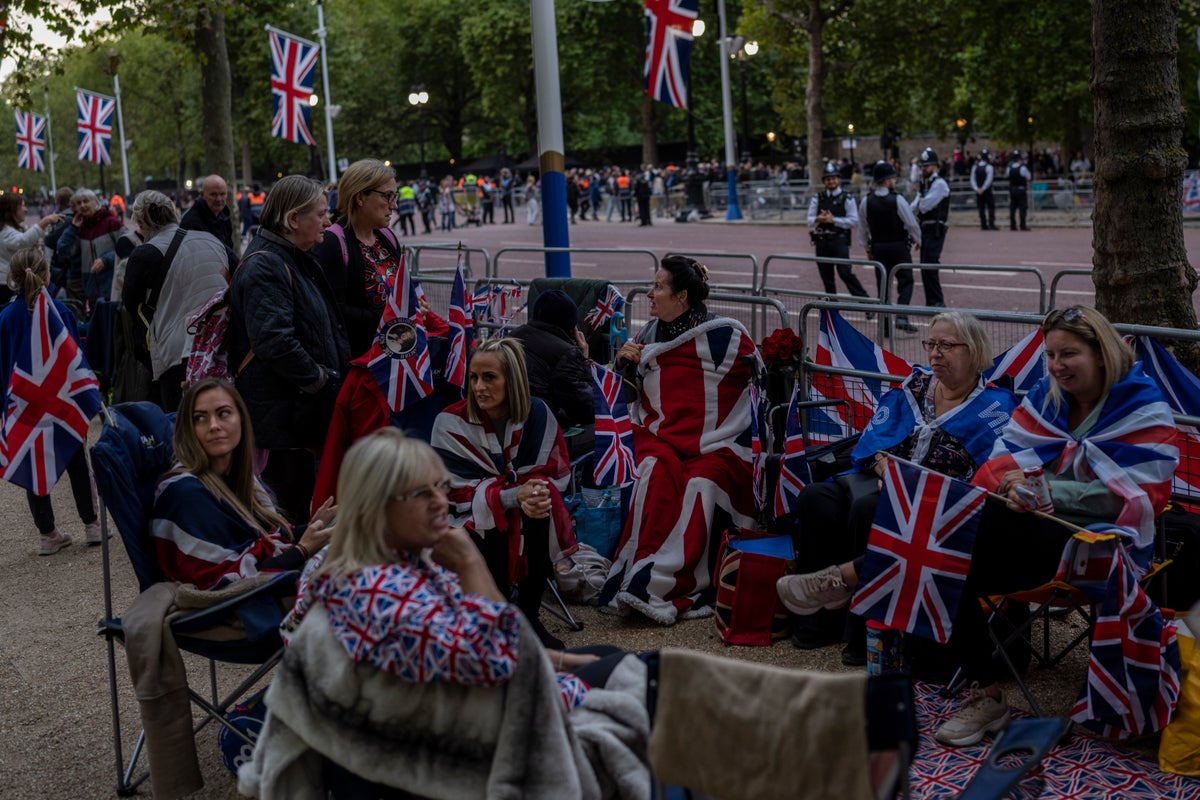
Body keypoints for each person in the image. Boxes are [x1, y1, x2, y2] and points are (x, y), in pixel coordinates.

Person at [245, 429, 639, 799]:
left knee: (607, 659)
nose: (440, 501)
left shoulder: (404, 565)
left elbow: (498, 649)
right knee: (635, 685)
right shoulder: (372, 593)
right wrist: (470, 564)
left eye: (441, 486)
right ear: (377, 508)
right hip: (456, 747)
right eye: (421, 492)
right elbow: (502, 663)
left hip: (470, 714)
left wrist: (566, 660)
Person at [926, 306, 1178, 746]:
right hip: (1030, 534)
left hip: (1103, 546)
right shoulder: (1048, 396)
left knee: (955, 537)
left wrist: (1045, 490)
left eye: (1069, 354)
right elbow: (1005, 456)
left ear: (1101, 353)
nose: (1057, 365)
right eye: (1051, 355)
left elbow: (1137, 497)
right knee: (948, 558)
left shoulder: (1144, 407)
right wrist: (1016, 482)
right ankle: (986, 695)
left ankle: (851, 572)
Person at [775, 312, 1017, 663]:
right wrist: (885, 467)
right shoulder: (914, 387)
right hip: (883, 478)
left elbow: (988, 472)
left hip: (936, 501)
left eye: (946, 345)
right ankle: (817, 622)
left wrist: (908, 484)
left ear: (974, 351)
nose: (935, 353)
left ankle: (865, 636)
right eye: (930, 344)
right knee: (816, 498)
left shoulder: (995, 407)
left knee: (868, 510)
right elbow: (875, 440)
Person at [599, 256, 758, 624]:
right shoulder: (646, 335)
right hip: (663, 441)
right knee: (652, 471)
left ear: (682, 296)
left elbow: (758, 383)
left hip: (718, 443)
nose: (649, 294)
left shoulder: (726, 334)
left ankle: (672, 584)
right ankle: (637, 573)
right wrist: (622, 365)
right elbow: (627, 400)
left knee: (702, 484)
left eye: (658, 287)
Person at [431, 338, 578, 649]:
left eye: (489, 377)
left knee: (541, 504)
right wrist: (512, 496)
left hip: (522, 506)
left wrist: (531, 493)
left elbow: (551, 472)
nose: (479, 387)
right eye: (473, 377)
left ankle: (528, 614)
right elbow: (453, 491)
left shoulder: (537, 412)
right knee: (492, 514)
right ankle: (496, 615)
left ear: (512, 380)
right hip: (462, 515)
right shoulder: (449, 421)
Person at [227, 175, 351, 524]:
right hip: (285, 420)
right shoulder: (267, 264)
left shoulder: (289, 255)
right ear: (293, 219)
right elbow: (274, 341)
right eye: (321, 213)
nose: (328, 221)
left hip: (293, 415)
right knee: (293, 515)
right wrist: (320, 379)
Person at [151, 379, 334, 590]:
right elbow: (224, 584)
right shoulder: (183, 494)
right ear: (187, 429)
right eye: (199, 418)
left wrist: (313, 528)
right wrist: (302, 549)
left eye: (223, 413)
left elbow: (264, 543)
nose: (214, 426)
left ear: (242, 420)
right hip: (225, 614)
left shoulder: (239, 477)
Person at [0, 247, 100, 555]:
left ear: (13, 280)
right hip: (62, 402)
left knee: (34, 466)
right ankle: (91, 524)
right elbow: (75, 357)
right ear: (46, 275)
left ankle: (47, 534)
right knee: (76, 462)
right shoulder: (59, 311)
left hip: (24, 405)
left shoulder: (4, 317)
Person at [122, 190, 232, 411]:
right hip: (223, 343)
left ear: (142, 223)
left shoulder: (145, 253)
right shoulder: (211, 239)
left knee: (181, 422)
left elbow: (130, 303)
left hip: (178, 351)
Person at [313, 159, 403, 358]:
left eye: (395, 196)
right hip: (360, 361)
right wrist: (386, 316)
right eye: (388, 196)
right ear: (360, 197)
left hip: (395, 353)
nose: (394, 205)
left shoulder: (387, 237)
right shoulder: (332, 243)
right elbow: (333, 310)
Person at [510, 289, 594, 430]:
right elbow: (587, 410)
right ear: (572, 326)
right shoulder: (566, 354)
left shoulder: (512, 336)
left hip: (510, 424)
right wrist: (584, 358)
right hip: (540, 432)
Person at [858, 160, 921, 332]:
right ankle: (901, 316)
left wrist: (867, 249)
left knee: (883, 286)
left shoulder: (866, 201)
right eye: (893, 178)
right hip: (899, 246)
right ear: (886, 180)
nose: (895, 181)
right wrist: (918, 239)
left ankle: (884, 324)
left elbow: (862, 229)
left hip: (878, 247)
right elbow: (911, 223)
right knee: (906, 281)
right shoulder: (897, 199)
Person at [807, 161, 868, 300]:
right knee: (827, 278)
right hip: (821, 242)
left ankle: (866, 301)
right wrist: (819, 219)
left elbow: (854, 220)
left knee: (845, 273)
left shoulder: (847, 197)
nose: (831, 181)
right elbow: (809, 220)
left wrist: (833, 220)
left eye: (834, 178)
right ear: (824, 181)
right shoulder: (818, 197)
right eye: (828, 179)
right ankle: (833, 310)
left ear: (839, 179)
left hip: (839, 240)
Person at [0, 193, 61, 306]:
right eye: (22, 206)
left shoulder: (7, 230)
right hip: (6, 286)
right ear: (12, 210)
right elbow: (22, 241)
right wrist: (45, 221)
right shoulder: (5, 232)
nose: (26, 209)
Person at [70, 189, 125, 309]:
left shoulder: (111, 222)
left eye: (86, 201)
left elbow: (129, 245)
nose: (82, 205)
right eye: (79, 203)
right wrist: (72, 228)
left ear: (95, 202)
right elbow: (65, 251)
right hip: (92, 292)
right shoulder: (80, 228)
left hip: (113, 289)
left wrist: (106, 260)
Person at [911, 148, 949, 308]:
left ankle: (938, 302)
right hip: (925, 229)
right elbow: (914, 207)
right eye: (922, 166)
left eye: (926, 166)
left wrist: (921, 202)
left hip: (936, 229)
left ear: (935, 165)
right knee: (925, 267)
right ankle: (931, 302)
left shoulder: (939, 183)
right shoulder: (926, 184)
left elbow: (924, 206)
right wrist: (920, 202)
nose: (923, 169)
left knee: (931, 265)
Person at [179, 174, 235, 252]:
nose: (219, 199)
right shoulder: (192, 223)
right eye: (213, 194)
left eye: (222, 194)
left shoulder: (224, 216)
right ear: (202, 195)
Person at [970, 149, 998, 231]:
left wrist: (976, 188)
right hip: (987, 191)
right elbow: (989, 179)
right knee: (990, 208)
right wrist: (983, 188)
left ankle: (983, 224)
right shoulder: (989, 167)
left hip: (979, 190)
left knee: (981, 208)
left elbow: (972, 179)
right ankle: (991, 224)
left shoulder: (975, 167)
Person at [1007, 149, 1031, 231]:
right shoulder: (1022, 168)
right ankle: (1022, 225)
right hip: (1021, 190)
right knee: (1022, 208)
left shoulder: (1009, 168)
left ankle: (1012, 225)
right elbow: (1029, 177)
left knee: (1012, 208)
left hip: (1012, 189)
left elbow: (1007, 176)